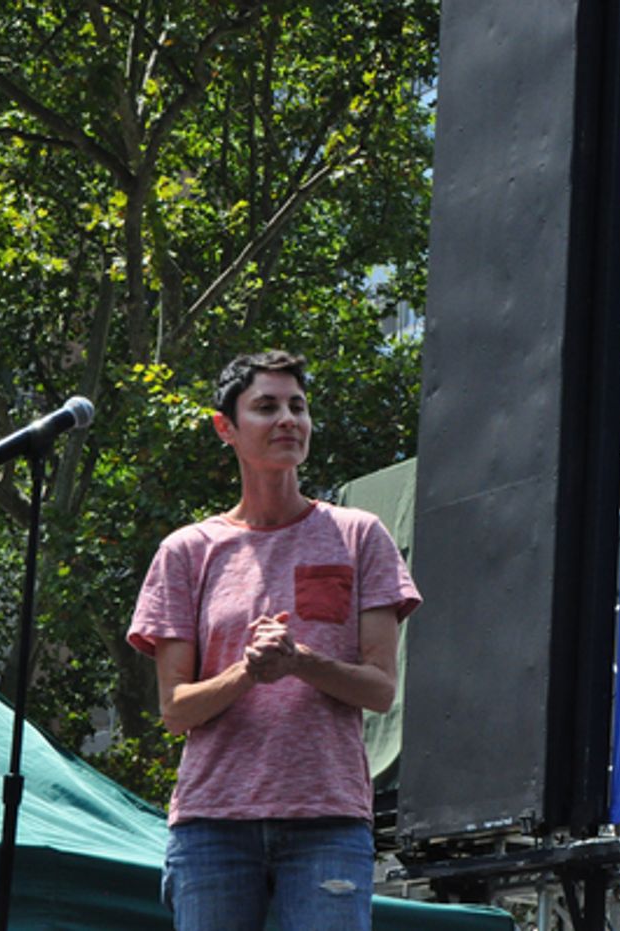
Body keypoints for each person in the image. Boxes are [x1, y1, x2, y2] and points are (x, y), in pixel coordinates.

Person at [127, 349, 420, 931]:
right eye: (266, 407)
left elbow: (380, 690)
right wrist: (249, 671)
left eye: (298, 407)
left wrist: (299, 661)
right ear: (226, 428)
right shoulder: (186, 551)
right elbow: (175, 710)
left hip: (328, 821)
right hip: (212, 823)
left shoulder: (359, 535)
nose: (288, 419)